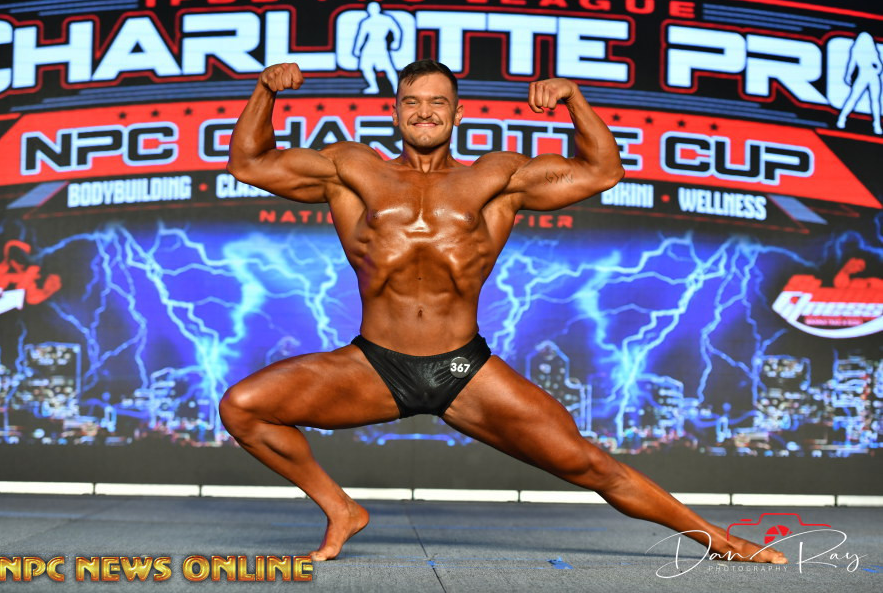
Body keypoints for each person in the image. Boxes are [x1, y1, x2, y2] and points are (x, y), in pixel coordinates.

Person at [220, 59, 787, 565]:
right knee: (243, 408)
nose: (424, 112)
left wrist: (574, 99)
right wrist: (265, 91)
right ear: (394, 112)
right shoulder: (349, 169)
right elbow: (248, 164)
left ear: (457, 113)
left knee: (590, 465)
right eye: (412, 102)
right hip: (374, 365)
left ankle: (721, 541)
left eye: (437, 102)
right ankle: (340, 508)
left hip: (462, 369)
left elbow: (603, 172)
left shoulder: (495, 178)